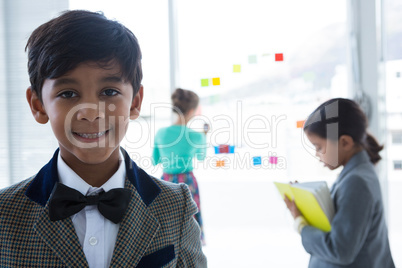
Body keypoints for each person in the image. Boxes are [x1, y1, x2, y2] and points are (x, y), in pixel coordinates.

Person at [0, 10, 207, 268]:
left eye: (109, 91)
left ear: (135, 102)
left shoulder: (176, 207)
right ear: (38, 105)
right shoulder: (4, 214)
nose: (90, 113)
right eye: (68, 93)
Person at [284, 98, 395, 268]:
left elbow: (340, 250)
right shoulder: (356, 173)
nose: (316, 154)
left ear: (345, 142)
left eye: (319, 147)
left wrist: (301, 225)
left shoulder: (357, 182)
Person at [152, 88, 208, 244]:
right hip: (188, 183)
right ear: (192, 110)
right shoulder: (196, 136)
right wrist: (204, 136)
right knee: (191, 226)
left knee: (167, 226)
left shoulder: (161, 133)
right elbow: (202, 156)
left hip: (166, 182)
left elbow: (154, 160)